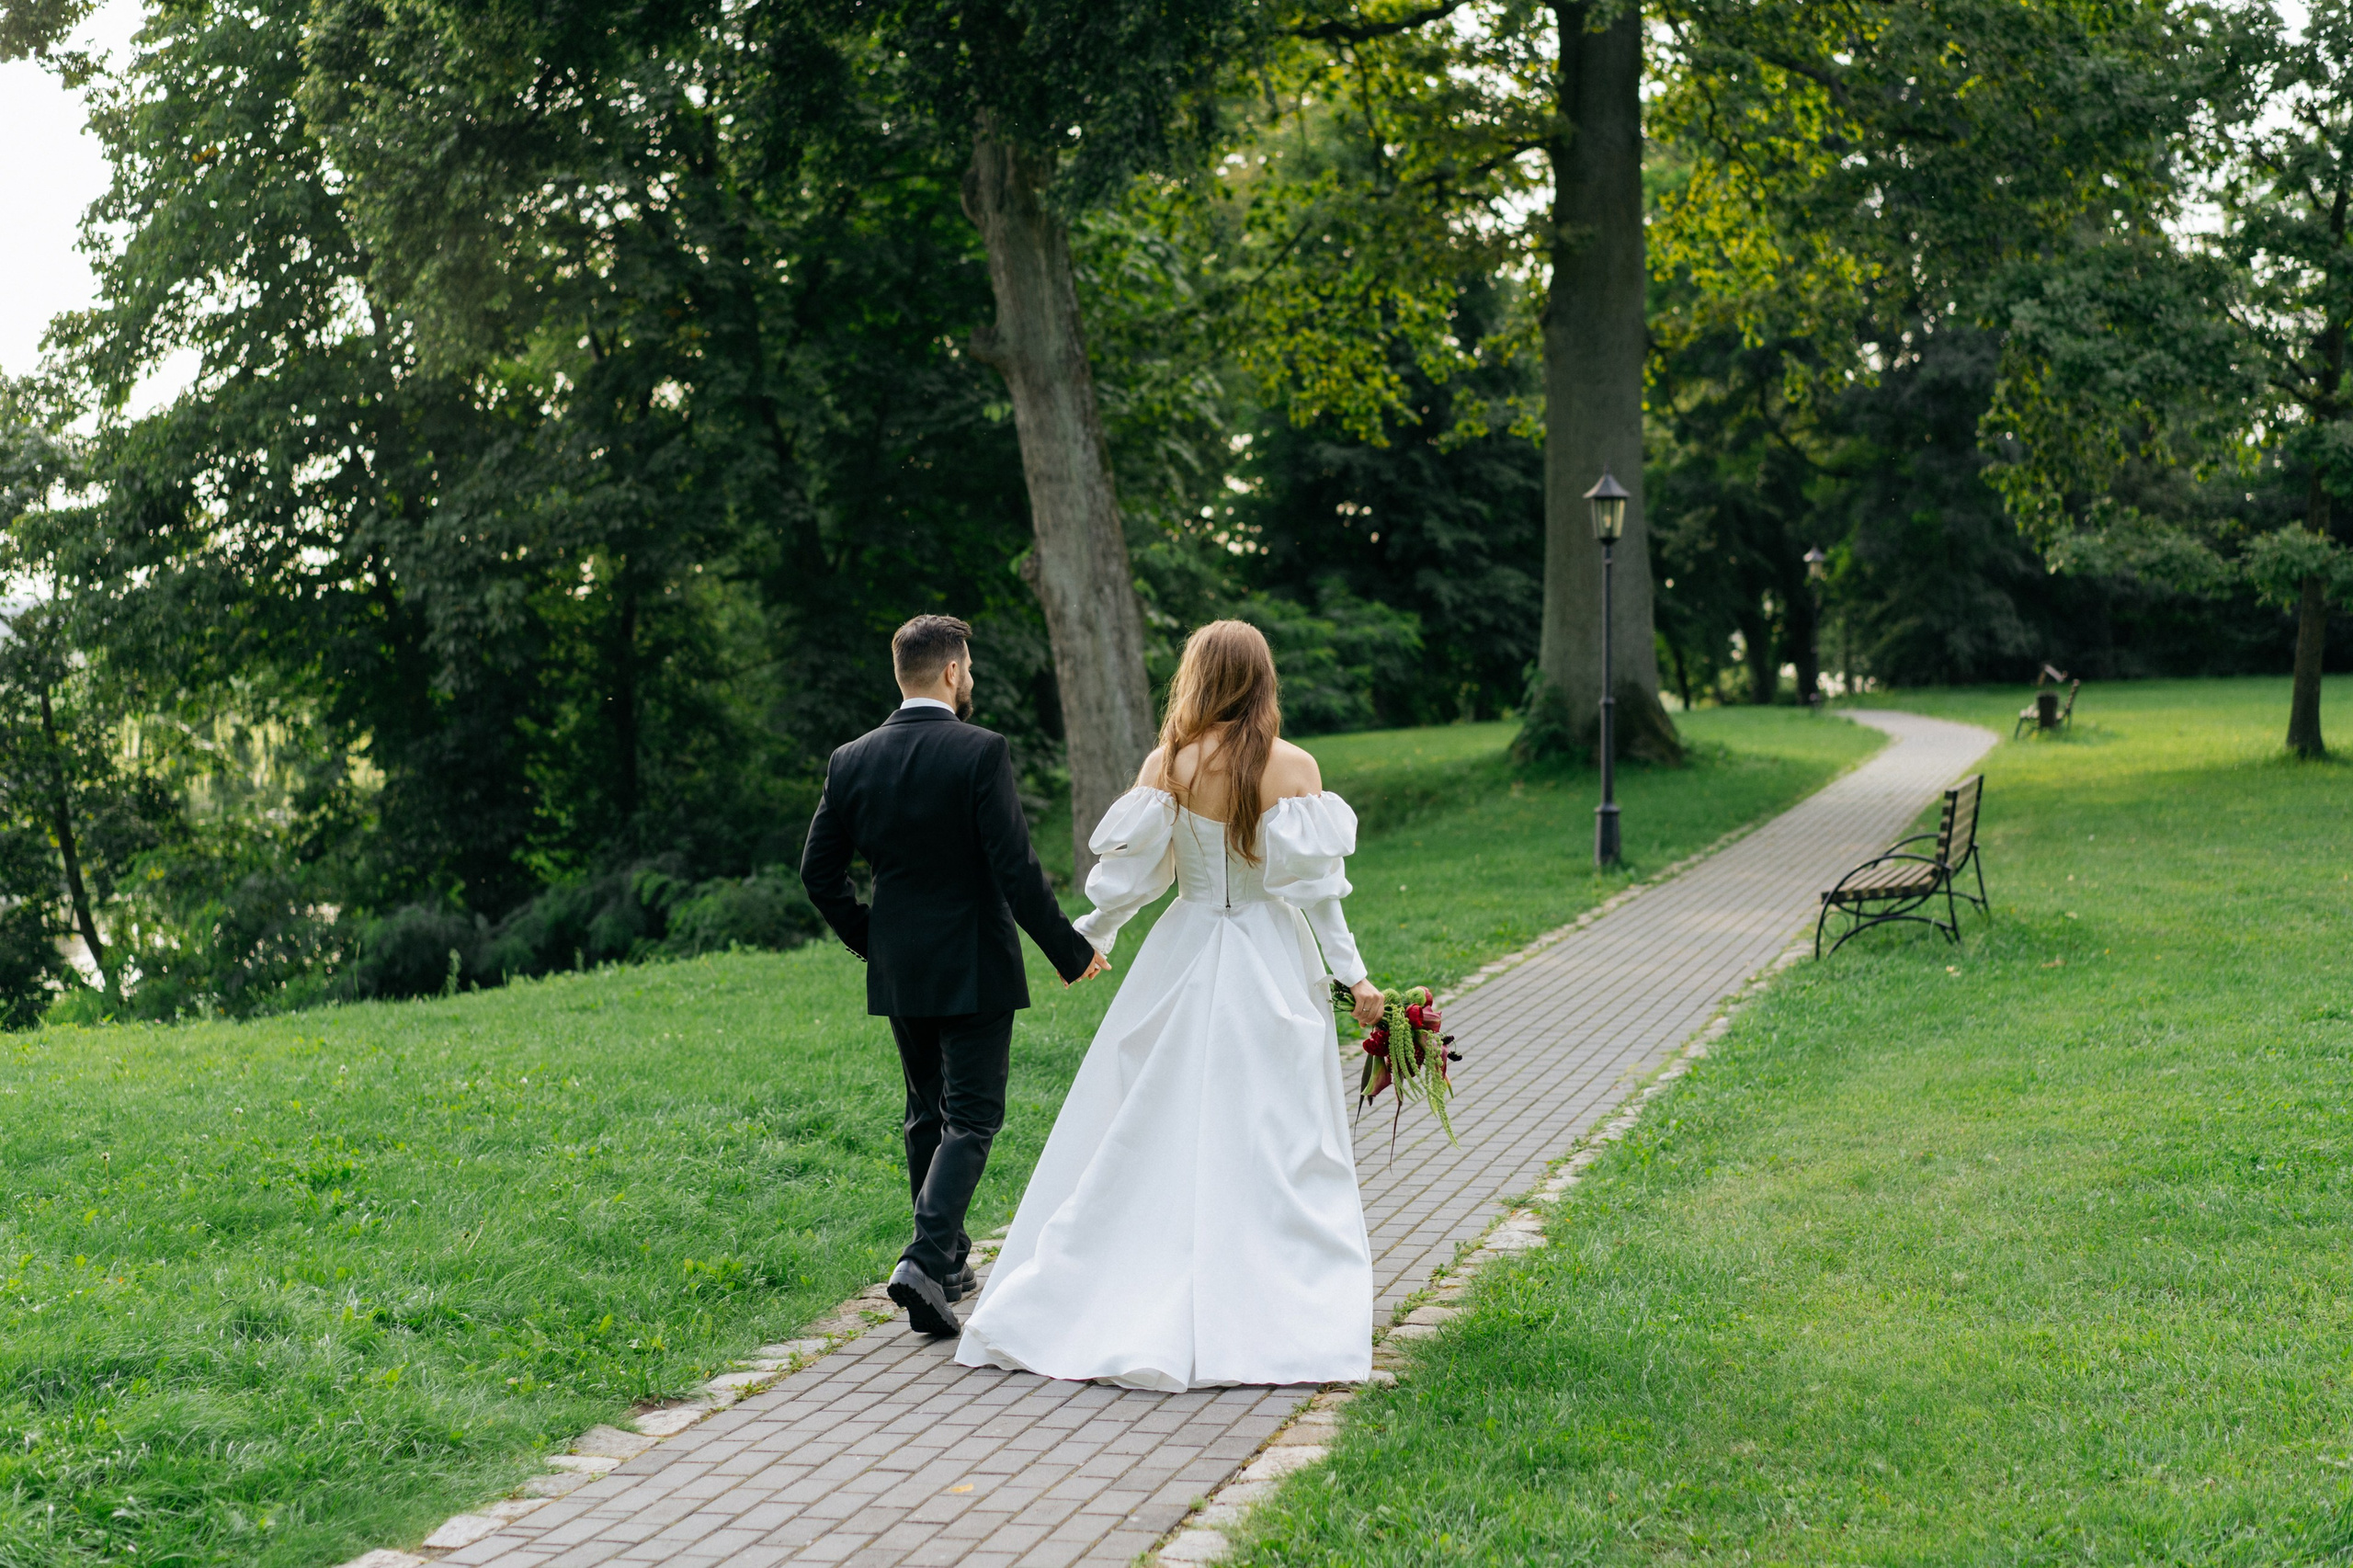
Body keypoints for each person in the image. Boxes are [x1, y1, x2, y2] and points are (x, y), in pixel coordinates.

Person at [955, 619, 1392, 1391]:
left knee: (1158, 1122)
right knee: (1278, 1133)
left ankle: (1133, 1281)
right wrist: (1356, 982)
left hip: (1185, 950)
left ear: (1199, 677)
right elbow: (1319, 900)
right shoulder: (1294, 768)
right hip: (1269, 956)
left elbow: (1134, 877)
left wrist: (1091, 938)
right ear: (1262, 679)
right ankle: (1280, 1306)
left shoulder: (1171, 764)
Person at [800, 614, 1108, 1338]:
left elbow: (819, 873)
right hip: (973, 964)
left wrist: (874, 941)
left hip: (901, 969)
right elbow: (1015, 867)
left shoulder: (852, 759)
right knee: (972, 1117)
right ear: (949, 673)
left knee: (926, 1115)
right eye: (967, 668)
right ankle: (924, 1257)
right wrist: (1070, 951)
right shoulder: (980, 752)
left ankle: (947, 1265)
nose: (970, 679)